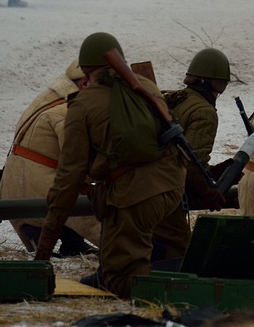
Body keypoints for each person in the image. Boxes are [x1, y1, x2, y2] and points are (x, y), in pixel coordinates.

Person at [34, 33, 187, 299]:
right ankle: (194, 279)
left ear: (85, 71)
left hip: (135, 197)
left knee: (120, 283)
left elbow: (70, 175)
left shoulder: (82, 104)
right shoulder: (147, 86)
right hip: (173, 187)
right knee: (174, 254)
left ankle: (186, 290)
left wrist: (46, 242)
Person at [0, 60, 99, 256]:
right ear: (85, 83)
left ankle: (68, 240)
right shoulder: (67, 111)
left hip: (15, 189)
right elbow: (80, 160)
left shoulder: (47, 98)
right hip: (36, 191)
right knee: (101, 223)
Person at [154, 49, 233, 261]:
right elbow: (190, 163)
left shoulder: (173, 98)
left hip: (147, 186)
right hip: (168, 193)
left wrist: (212, 172)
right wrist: (209, 192)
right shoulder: (204, 111)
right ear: (218, 83)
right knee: (179, 254)